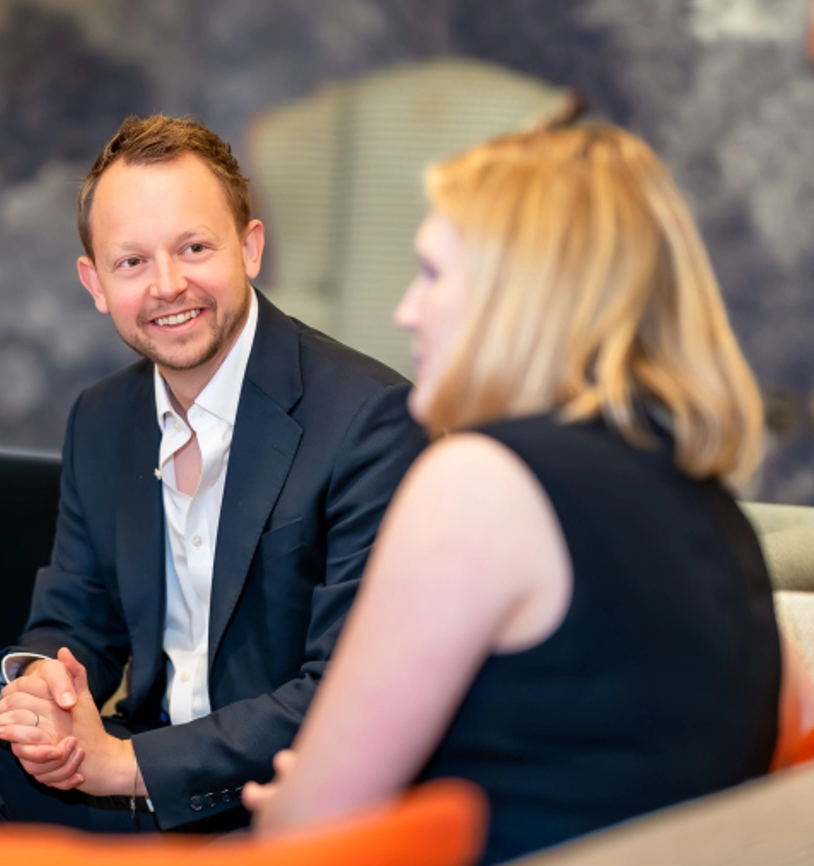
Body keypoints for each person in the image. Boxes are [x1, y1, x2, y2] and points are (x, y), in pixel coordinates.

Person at [245, 122, 814, 864]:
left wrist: (291, 796)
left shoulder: (479, 482)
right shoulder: (711, 511)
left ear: (519, 293)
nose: (406, 310)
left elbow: (311, 828)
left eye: (433, 273)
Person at [0, 115, 424, 833]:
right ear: (95, 282)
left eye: (194, 248)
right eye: (131, 262)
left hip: (277, 801)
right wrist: (43, 689)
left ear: (250, 248)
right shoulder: (102, 419)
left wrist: (127, 768)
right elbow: (75, 618)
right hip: (141, 781)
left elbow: (343, 697)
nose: (168, 285)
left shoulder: (368, 418)